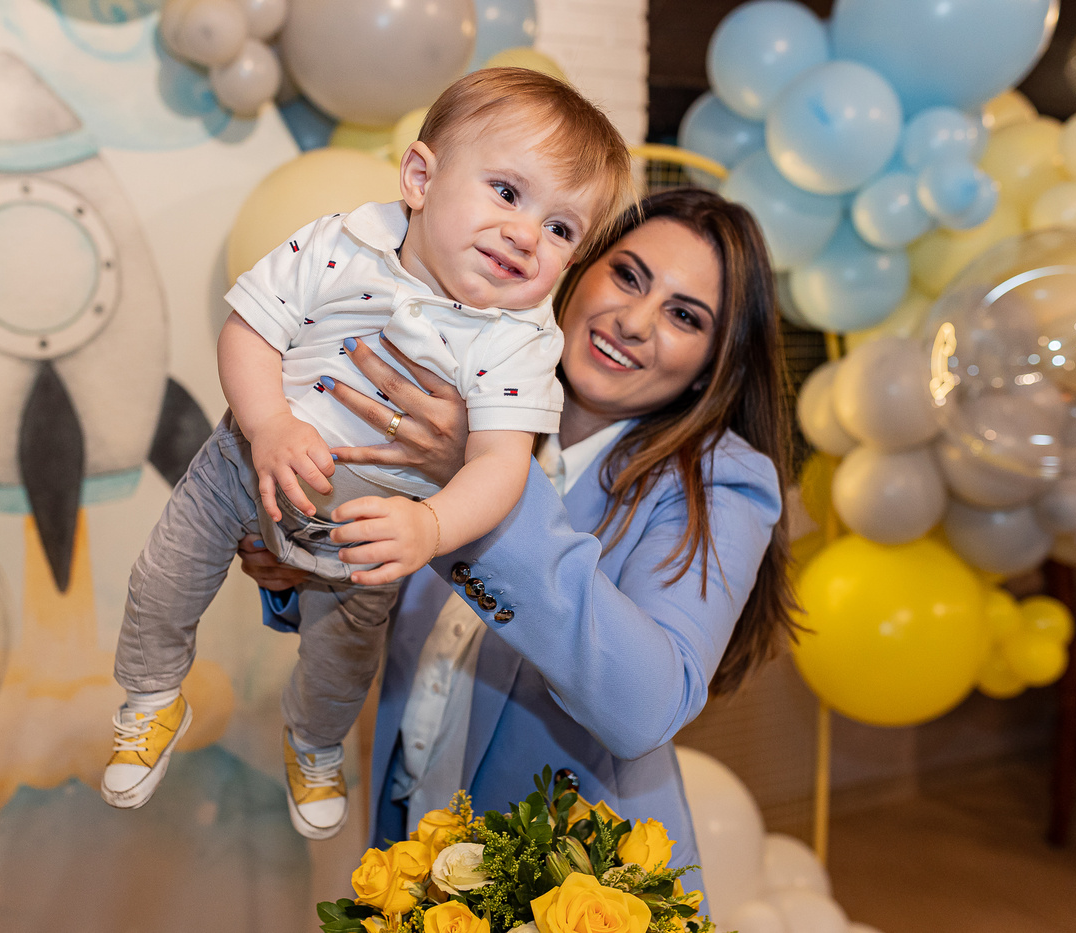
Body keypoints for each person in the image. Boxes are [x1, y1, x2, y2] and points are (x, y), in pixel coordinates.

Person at [101, 68, 634, 840]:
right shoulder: (341, 244)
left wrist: (430, 528)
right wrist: (269, 424)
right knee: (163, 579)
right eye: (507, 193)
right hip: (246, 462)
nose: (527, 235)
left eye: (561, 229)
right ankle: (151, 697)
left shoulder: (520, 339)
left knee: (342, 663)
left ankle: (314, 746)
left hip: (371, 524)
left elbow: (500, 465)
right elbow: (250, 330)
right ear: (420, 177)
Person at [241, 186, 795, 903]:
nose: (633, 322)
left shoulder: (719, 480)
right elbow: (400, 616)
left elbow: (645, 707)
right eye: (628, 276)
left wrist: (487, 483)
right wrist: (305, 568)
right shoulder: (470, 403)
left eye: (684, 316)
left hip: (580, 894)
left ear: (714, 363)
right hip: (416, 860)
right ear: (578, 270)